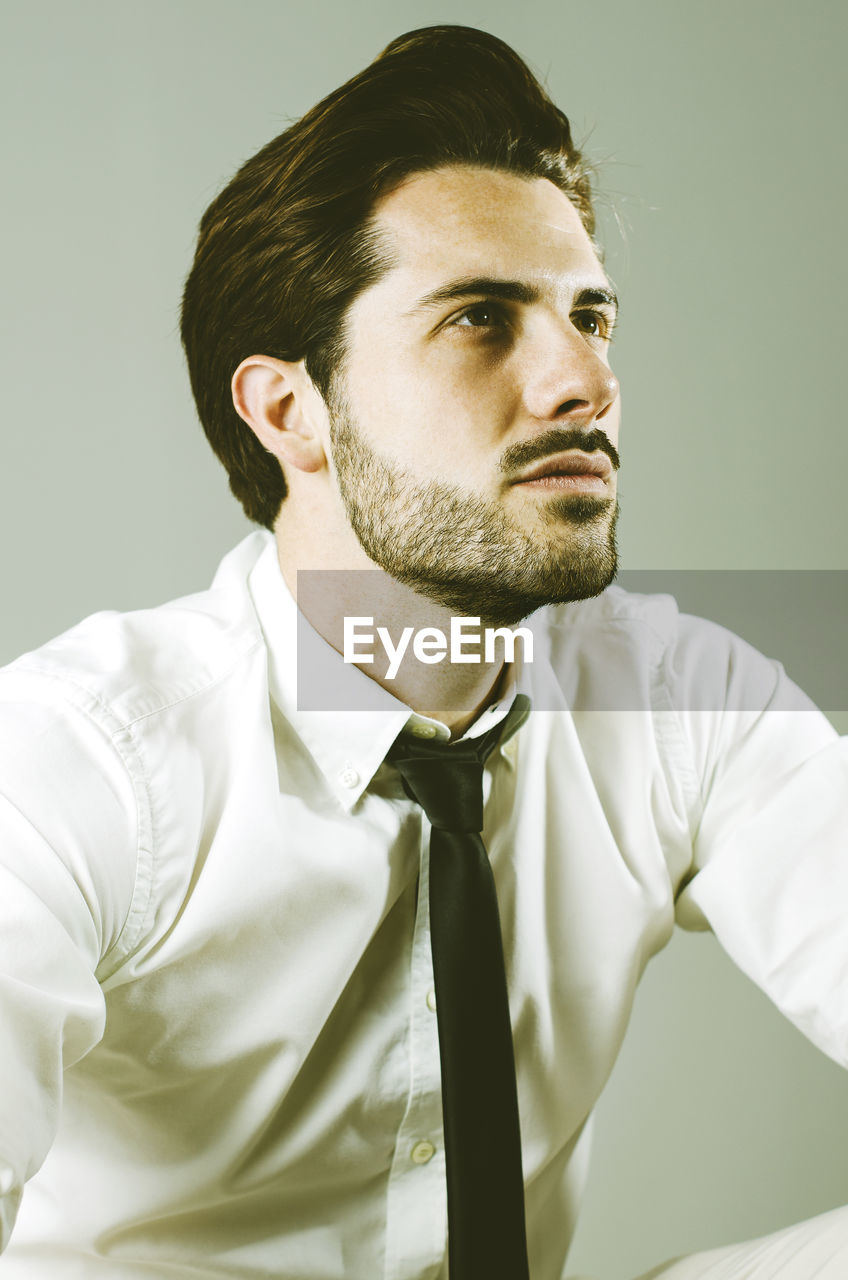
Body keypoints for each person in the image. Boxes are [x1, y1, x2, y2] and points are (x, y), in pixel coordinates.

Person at [0, 22, 845, 1280]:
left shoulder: (676, 697)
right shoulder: (84, 754)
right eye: (479, 318)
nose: (583, 380)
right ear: (292, 410)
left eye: (590, 314)